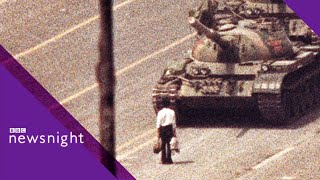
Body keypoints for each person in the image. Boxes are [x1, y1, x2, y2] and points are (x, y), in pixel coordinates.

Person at [156, 98, 177, 164]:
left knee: (163, 144)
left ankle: (163, 159)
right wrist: (174, 132)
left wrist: (158, 133)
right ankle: (169, 159)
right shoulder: (172, 112)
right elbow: (173, 123)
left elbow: (158, 123)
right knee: (169, 144)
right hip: (169, 128)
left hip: (163, 128)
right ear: (169, 104)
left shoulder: (160, 112)